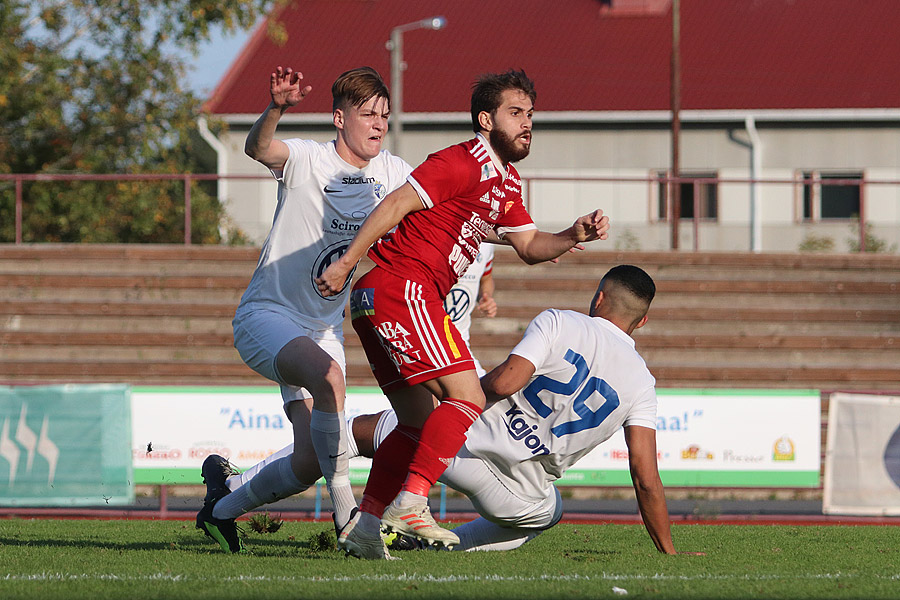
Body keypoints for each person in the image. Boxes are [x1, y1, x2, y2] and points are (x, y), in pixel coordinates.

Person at [315, 69, 610, 559]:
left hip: (381, 297)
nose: (527, 123)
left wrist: (574, 233)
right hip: (403, 286)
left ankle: (366, 525)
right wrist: (347, 260)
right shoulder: (463, 160)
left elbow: (531, 246)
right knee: (467, 394)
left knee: (415, 420)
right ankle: (411, 503)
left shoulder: (506, 180)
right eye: (516, 113)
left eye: (531, 115)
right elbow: (395, 204)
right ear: (485, 119)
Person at [204, 265, 688, 555]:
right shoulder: (643, 383)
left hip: (461, 442)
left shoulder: (561, 321)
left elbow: (503, 382)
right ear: (641, 321)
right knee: (548, 511)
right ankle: (449, 543)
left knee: (361, 433)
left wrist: (456, 396)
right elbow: (646, 478)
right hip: (519, 490)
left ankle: (231, 497)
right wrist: (667, 552)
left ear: (598, 297)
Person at [195, 65, 412, 554]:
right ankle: (346, 516)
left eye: (384, 114)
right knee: (331, 377)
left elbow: (438, 206)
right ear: (339, 118)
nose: (378, 123)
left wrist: (524, 236)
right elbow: (258, 148)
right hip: (266, 317)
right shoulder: (308, 160)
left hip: (322, 328)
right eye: (367, 114)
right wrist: (276, 107)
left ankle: (220, 508)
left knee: (310, 459)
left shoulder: (392, 172)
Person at [443, 244, 497, 377]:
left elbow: (486, 278)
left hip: (460, 342)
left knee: (481, 394)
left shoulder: (486, 245)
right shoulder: (435, 234)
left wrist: (486, 296)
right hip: (426, 342)